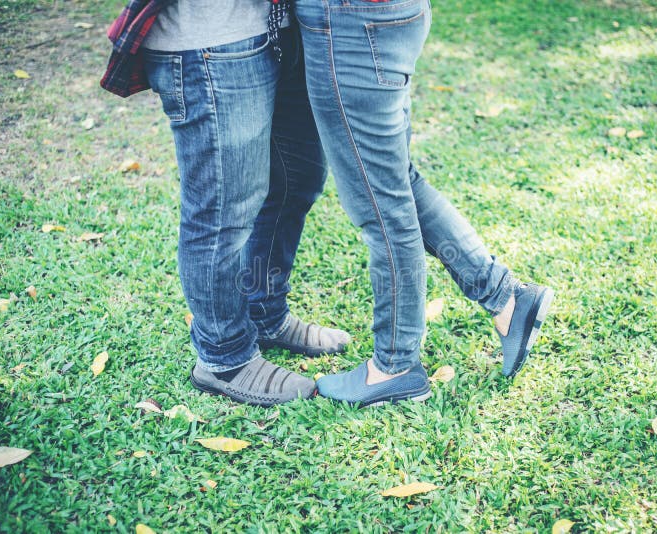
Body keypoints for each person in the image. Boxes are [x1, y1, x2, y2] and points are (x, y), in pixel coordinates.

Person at [292, 0, 555, 406]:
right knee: (396, 182)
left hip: (349, 23)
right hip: (385, 17)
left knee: (381, 205)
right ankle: (506, 297)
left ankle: (394, 367)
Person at [101, 0, 350, 406]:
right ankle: (224, 357)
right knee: (221, 210)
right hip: (209, 38)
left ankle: (264, 314)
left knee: (296, 178)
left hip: (284, 26)